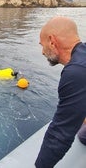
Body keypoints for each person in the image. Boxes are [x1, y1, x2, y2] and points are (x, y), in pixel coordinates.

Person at [35, 16, 86, 167]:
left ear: (52, 41)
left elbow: (60, 133)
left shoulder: (75, 72)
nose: (42, 52)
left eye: (42, 45)